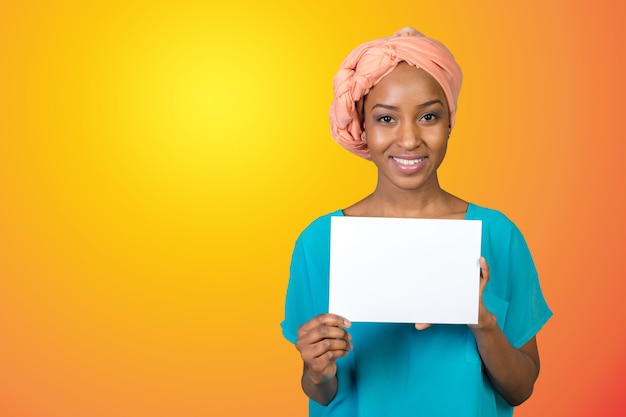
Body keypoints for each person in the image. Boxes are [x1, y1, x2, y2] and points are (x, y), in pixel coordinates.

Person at [280, 27, 552, 417]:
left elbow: (521, 388)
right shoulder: (320, 241)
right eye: (386, 118)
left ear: (450, 123)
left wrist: (483, 324)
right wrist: (316, 369)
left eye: (428, 116)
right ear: (363, 127)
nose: (408, 140)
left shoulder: (496, 235)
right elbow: (321, 393)